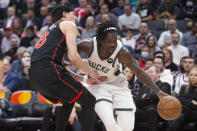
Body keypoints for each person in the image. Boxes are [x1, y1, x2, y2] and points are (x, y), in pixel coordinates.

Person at [76, 21, 167, 131]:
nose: (112, 45)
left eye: (114, 41)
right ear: (100, 40)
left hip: (119, 86)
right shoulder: (87, 46)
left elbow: (139, 72)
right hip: (98, 86)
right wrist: (83, 77)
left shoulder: (122, 52)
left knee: (127, 128)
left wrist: (159, 92)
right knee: (109, 122)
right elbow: (63, 57)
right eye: (109, 41)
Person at [29, 3, 104, 131]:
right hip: (49, 71)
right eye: (74, 14)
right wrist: (91, 72)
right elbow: (73, 57)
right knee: (90, 100)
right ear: (65, 14)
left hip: (34, 78)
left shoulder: (50, 30)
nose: (76, 18)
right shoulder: (68, 24)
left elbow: (59, 67)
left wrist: (84, 79)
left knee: (68, 100)